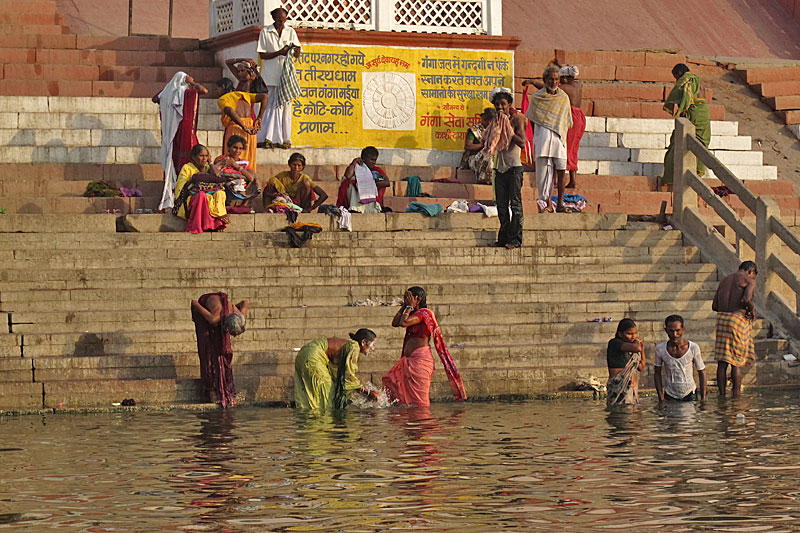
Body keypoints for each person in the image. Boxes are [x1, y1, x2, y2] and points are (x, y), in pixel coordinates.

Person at [383, 286, 467, 407]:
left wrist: (409, 307)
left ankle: (423, 418)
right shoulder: (411, 312)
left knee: (420, 401)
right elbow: (395, 323)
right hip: (408, 360)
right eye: (406, 298)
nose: (406, 300)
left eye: (409, 297)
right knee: (390, 380)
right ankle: (408, 417)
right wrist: (405, 306)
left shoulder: (425, 313)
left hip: (421, 361)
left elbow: (403, 323)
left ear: (418, 299)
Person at [153, 72, 208, 212]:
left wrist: (168, 87)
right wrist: (192, 82)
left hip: (173, 133)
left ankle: (177, 187)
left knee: (176, 159)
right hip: (183, 132)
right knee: (189, 157)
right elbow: (204, 91)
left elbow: (155, 98)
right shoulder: (186, 93)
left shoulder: (168, 95)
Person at [294, 329, 381, 410]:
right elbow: (348, 377)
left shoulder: (348, 346)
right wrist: (367, 393)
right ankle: (323, 418)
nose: (373, 349)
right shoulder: (354, 347)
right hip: (313, 355)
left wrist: (362, 392)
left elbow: (340, 376)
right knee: (327, 390)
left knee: (316, 392)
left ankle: (311, 415)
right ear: (363, 342)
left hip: (304, 353)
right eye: (372, 345)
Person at [525, 65, 573, 213]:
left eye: (556, 79)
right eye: (551, 79)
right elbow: (532, 119)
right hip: (543, 139)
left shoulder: (563, 98)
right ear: (545, 80)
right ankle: (546, 204)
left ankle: (560, 204)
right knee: (544, 174)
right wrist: (538, 137)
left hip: (559, 139)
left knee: (561, 170)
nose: (554, 82)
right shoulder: (537, 98)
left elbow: (567, 120)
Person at [190, 292, 247, 407]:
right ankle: (211, 390)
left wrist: (230, 306)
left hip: (225, 314)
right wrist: (197, 320)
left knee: (224, 353)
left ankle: (226, 390)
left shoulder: (239, 315)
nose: (234, 336)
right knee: (208, 353)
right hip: (206, 313)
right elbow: (194, 303)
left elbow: (244, 302)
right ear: (226, 327)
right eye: (232, 333)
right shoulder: (213, 318)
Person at [256, 7, 302, 149]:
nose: (282, 23)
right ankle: (266, 137)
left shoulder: (290, 31)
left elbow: (297, 53)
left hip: (285, 77)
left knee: (285, 109)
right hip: (270, 75)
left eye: (284, 20)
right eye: (279, 20)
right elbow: (262, 54)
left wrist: (295, 50)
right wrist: (279, 53)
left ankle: (284, 139)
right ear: (274, 18)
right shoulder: (265, 32)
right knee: (269, 107)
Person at [490, 88, 528, 249]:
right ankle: (503, 238)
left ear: (509, 105)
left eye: (503, 104)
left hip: (514, 169)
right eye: (497, 104)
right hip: (500, 168)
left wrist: (508, 130)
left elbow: (522, 142)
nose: (500, 107)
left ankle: (515, 240)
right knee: (501, 206)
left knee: (516, 205)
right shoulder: (495, 122)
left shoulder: (516, 120)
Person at [712, 261, 757, 397]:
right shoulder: (749, 280)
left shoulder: (725, 280)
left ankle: (722, 395)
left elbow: (714, 306)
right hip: (736, 320)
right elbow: (746, 299)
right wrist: (752, 310)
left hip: (721, 319)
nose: (753, 278)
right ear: (751, 271)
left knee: (722, 362)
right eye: (753, 275)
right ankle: (736, 397)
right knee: (736, 362)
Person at [662, 63, 711, 187]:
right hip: (704, 113)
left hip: (693, 113)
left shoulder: (685, 81)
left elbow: (686, 100)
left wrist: (680, 112)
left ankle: (671, 178)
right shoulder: (698, 80)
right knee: (701, 141)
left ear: (678, 75)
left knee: (677, 143)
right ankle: (698, 171)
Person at [173, 144, 229, 233]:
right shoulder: (187, 168)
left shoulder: (207, 167)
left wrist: (210, 162)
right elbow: (181, 188)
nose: (204, 159)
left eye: (206, 156)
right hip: (188, 198)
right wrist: (194, 180)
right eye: (201, 156)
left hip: (208, 196)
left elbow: (217, 175)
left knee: (220, 193)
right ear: (194, 157)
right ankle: (197, 226)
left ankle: (216, 224)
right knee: (201, 195)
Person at [215, 77, 267, 173]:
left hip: (236, 127)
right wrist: (259, 118)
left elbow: (229, 110)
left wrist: (243, 126)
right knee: (249, 157)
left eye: (217, 89)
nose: (216, 91)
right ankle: (249, 177)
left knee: (233, 155)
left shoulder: (223, 98)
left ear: (223, 87)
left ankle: (234, 178)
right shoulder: (243, 94)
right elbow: (264, 96)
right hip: (251, 128)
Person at [654, 314, 707, 403]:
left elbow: (702, 372)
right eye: (671, 331)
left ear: (683, 330)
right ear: (666, 330)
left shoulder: (693, 347)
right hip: (669, 394)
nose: (675, 334)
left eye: (678, 331)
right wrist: (661, 398)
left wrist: (703, 398)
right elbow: (657, 374)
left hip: (690, 393)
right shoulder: (660, 349)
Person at [263, 152, 328, 212]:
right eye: (294, 165)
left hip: (300, 205)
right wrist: (275, 195)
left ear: (302, 167)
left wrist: (311, 208)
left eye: (299, 165)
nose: (296, 168)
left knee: (306, 182)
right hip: (285, 203)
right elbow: (266, 191)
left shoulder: (304, 178)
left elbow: (323, 195)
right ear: (289, 164)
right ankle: (270, 209)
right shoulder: (282, 176)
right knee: (272, 180)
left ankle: (303, 209)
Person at [337, 146, 391, 213]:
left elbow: (387, 182)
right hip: (356, 201)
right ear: (364, 159)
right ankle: (355, 208)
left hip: (372, 202)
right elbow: (347, 176)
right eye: (371, 160)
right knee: (349, 182)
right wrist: (354, 162)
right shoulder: (357, 168)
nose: (373, 162)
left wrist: (370, 184)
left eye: (375, 160)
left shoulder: (376, 171)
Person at [606, 318, 646, 406]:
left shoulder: (633, 349)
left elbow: (641, 367)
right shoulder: (615, 343)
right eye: (629, 334)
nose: (633, 336)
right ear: (620, 334)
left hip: (632, 388)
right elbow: (637, 348)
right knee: (619, 412)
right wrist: (637, 342)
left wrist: (642, 348)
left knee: (633, 412)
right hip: (618, 388)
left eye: (635, 333)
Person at [213, 134, 260, 208]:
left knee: (255, 178)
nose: (237, 151)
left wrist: (235, 165)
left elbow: (251, 178)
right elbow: (215, 173)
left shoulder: (244, 162)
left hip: (241, 187)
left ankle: (244, 205)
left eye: (240, 148)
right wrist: (223, 164)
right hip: (227, 187)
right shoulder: (221, 159)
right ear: (229, 147)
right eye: (235, 147)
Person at [460, 107, 496, 184]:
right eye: (490, 121)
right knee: (489, 159)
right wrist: (483, 145)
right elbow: (468, 146)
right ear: (487, 120)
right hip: (475, 158)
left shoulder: (495, 130)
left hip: (491, 155)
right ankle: (484, 180)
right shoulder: (474, 130)